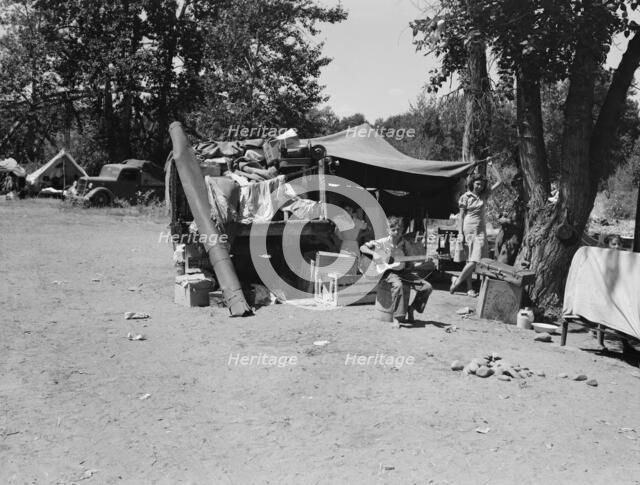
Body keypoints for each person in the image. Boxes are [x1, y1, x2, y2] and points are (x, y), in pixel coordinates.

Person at [360, 216, 433, 328]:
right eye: (393, 230)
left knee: (427, 287)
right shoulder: (382, 242)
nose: (396, 232)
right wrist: (374, 253)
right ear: (388, 230)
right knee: (398, 285)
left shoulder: (405, 244)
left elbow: (411, 263)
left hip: (403, 271)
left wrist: (424, 262)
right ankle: (397, 318)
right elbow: (363, 248)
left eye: (398, 229)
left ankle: (412, 308)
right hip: (388, 273)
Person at [450, 163, 502, 297]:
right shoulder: (465, 197)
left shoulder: (484, 196)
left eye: (482, 185)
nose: (479, 187)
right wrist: (460, 233)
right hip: (468, 229)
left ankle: (457, 281)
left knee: (475, 260)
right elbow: (461, 216)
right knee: (471, 260)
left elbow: (500, 181)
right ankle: (468, 288)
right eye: (477, 184)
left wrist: (491, 166)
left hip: (480, 230)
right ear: (472, 183)